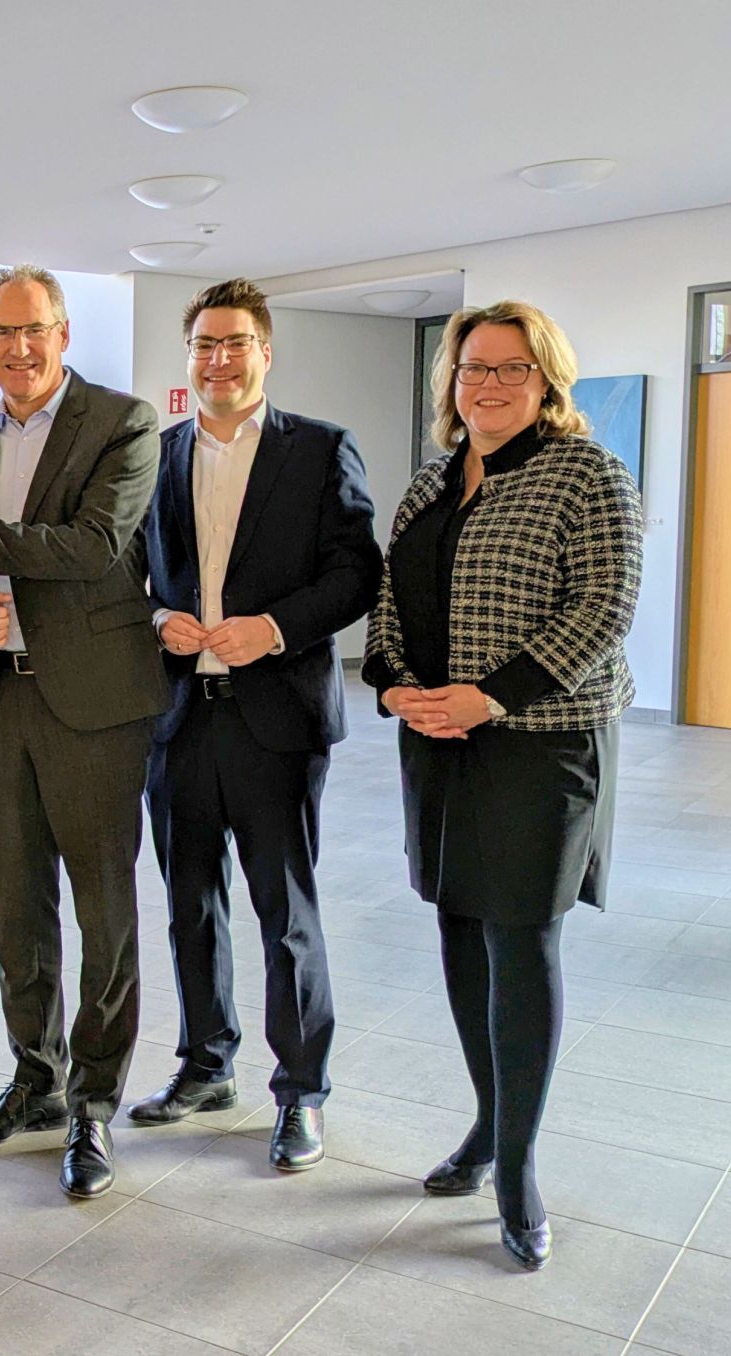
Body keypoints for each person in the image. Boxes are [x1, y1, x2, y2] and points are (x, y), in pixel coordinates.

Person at [364, 300, 641, 1271]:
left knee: (518, 939)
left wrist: (490, 696)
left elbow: (603, 607)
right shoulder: (430, 487)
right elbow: (390, 601)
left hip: (539, 742)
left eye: (509, 369)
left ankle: (518, 1166)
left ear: (545, 381)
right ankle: (488, 1125)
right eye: (472, 368)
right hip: (438, 742)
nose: (487, 385)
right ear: (451, 382)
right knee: (456, 925)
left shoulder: (588, 475)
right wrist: (394, 681)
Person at [0, 264, 168, 1199]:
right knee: (17, 908)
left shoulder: (125, 424)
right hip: (0, 700)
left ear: (63, 335)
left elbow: (93, 547)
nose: (19, 348)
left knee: (103, 911)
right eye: (2, 332)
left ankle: (95, 1106)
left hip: (97, 702)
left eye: (36, 330)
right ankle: (36, 1079)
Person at [134, 279, 382, 1172]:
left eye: (236, 343)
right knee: (188, 907)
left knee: (286, 915)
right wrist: (160, 617)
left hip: (276, 719)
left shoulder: (319, 451)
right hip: (179, 719)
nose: (219, 359)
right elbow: (134, 575)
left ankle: (301, 1092)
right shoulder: (157, 455)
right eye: (204, 344)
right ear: (189, 356)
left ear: (265, 352)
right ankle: (206, 1064)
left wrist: (273, 629)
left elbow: (357, 573)